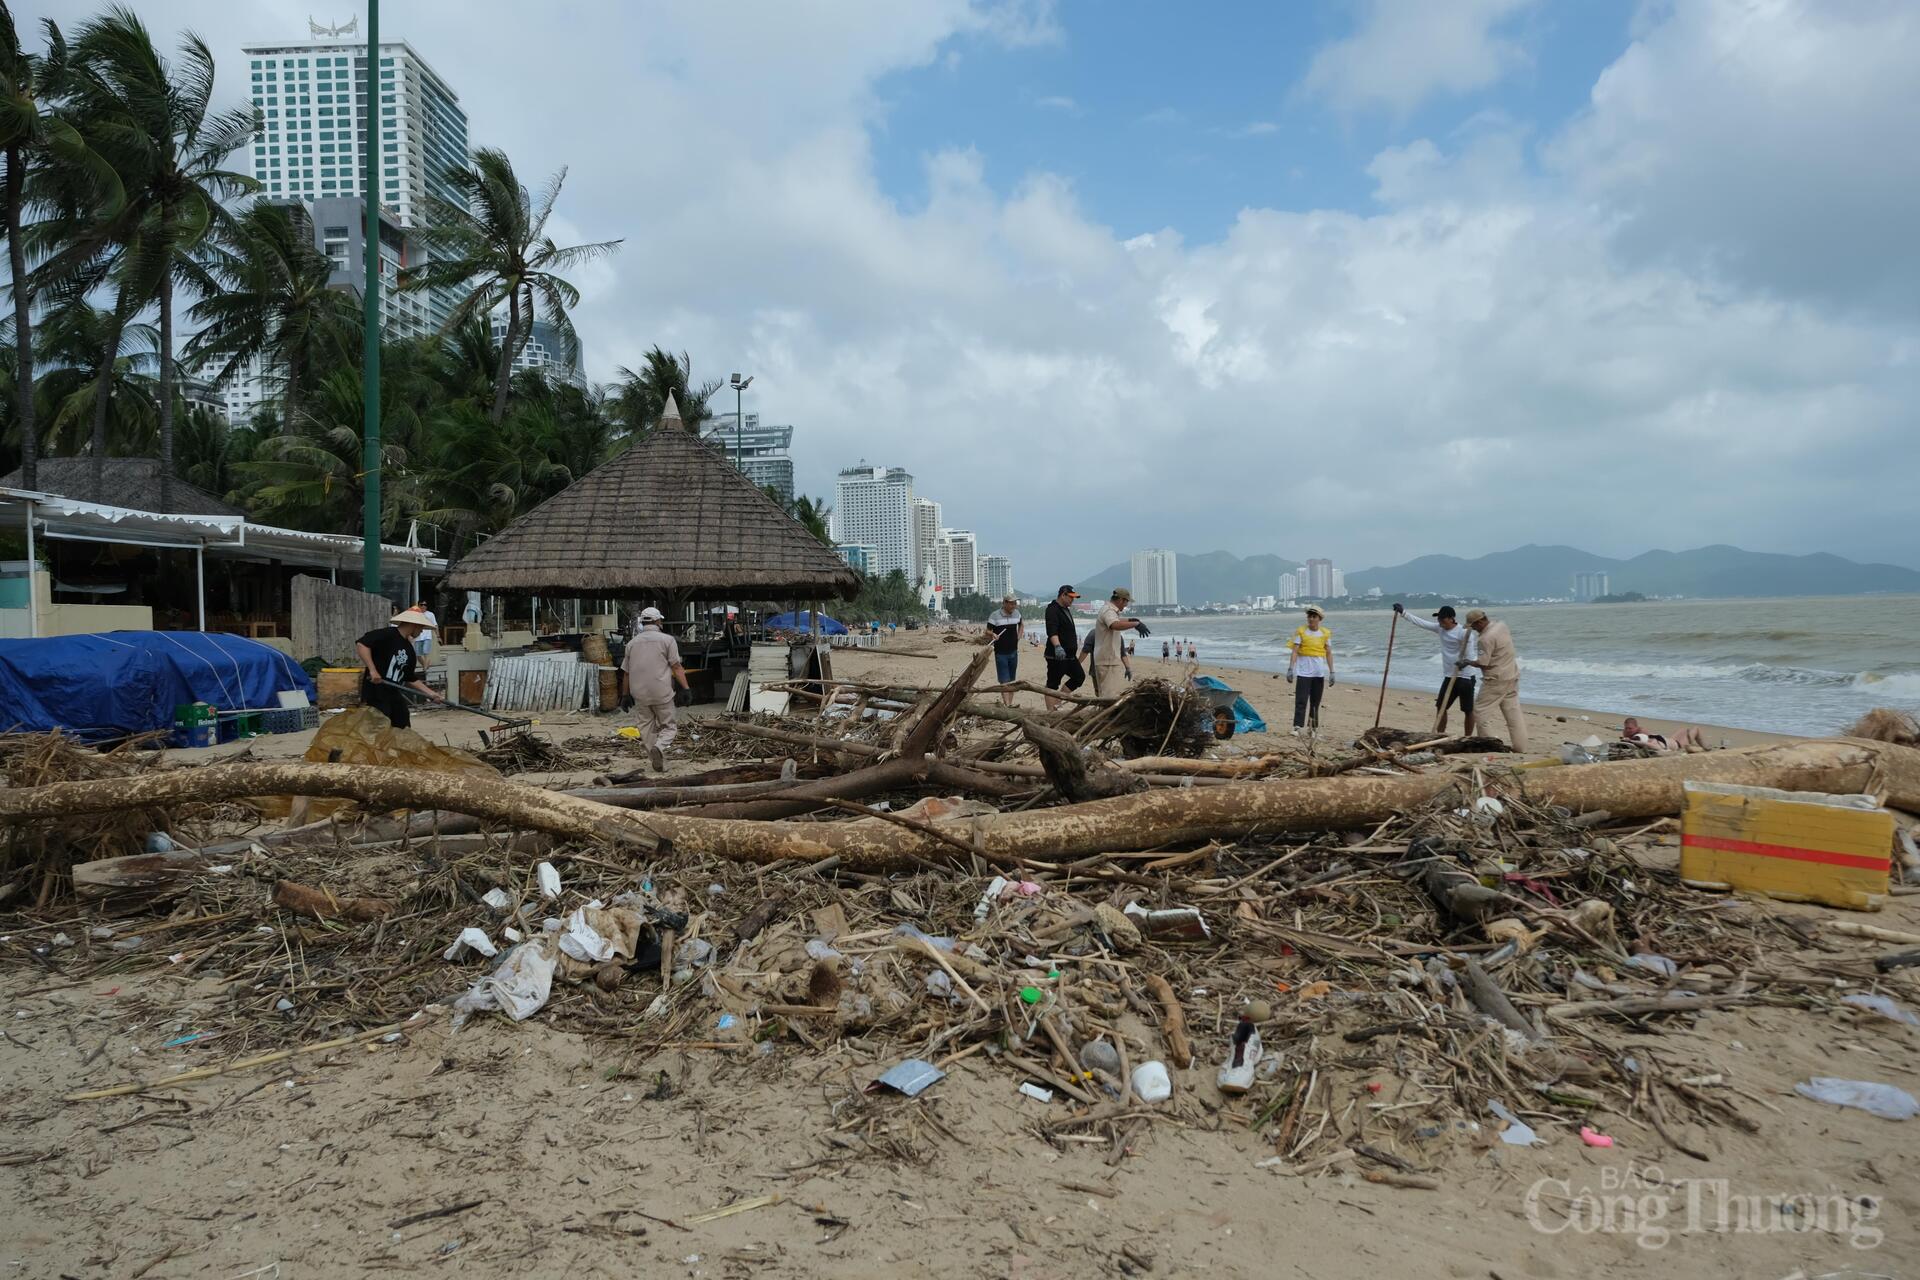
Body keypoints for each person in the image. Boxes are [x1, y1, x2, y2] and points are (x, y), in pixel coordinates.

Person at [622, 606, 691, 771]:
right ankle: (659, 747)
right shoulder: (667, 640)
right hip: (662, 692)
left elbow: (625, 673)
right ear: (658, 621)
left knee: (645, 727)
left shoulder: (631, 644)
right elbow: (676, 667)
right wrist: (686, 688)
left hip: (639, 693)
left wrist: (624, 695)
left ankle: (655, 756)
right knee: (669, 726)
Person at [1395, 603, 1478, 735]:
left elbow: (1469, 654)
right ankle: (1439, 734)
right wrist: (1403, 613)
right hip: (1449, 676)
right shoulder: (1440, 628)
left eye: (1443, 619)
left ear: (1451, 618)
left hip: (1465, 677)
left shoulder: (1463, 633)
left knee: (1467, 709)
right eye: (1439, 619)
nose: (1440, 622)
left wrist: (1465, 662)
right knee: (1441, 706)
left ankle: (1468, 738)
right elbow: (1421, 623)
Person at [355, 609, 443, 729]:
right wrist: (373, 670)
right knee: (380, 726)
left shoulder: (409, 650)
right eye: (421, 627)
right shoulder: (387, 635)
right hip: (376, 692)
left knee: (402, 721)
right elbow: (362, 644)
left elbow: (410, 678)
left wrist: (431, 693)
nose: (422, 631)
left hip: (393, 691)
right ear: (414, 625)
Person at [1464, 609, 1527, 752]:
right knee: (1513, 713)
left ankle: (1490, 746)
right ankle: (1520, 747)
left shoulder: (1484, 639)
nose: (1473, 629)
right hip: (1511, 675)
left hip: (1495, 680)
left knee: (1480, 712)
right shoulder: (1502, 626)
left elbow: (1483, 662)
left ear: (1480, 622)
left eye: (1473, 626)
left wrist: (1467, 662)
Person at [1286, 605, 1334, 735]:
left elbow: (1329, 653)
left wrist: (1332, 672)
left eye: (1314, 616)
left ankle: (1312, 728)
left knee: (1315, 702)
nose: (1311, 619)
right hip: (1303, 672)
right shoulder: (1301, 631)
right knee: (1301, 700)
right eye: (1309, 616)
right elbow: (1295, 651)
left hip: (1318, 673)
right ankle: (1297, 726)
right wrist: (1291, 668)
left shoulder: (1325, 633)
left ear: (1319, 619)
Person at [1091, 587, 1145, 696]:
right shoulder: (1108, 610)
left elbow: (1116, 620)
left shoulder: (1108, 610)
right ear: (1120, 600)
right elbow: (1114, 624)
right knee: (1108, 695)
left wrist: (1131, 620)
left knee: (1105, 694)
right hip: (1107, 660)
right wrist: (1135, 624)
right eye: (1126, 602)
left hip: (1106, 659)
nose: (1126, 605)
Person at [1043, 585, 1085, 710]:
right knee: (1052, 684)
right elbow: (1052, 631)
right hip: (1056, 655)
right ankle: (1051, 713)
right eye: (1071, 597)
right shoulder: (1052, 609)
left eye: (1074, 598)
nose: (1073, 600)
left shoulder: (1066, 609)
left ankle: (1057, 700)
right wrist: (1057, 646)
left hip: (1070, 656)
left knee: (1079, 677)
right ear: (1063, 595)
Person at [984, 594, 1023, 706]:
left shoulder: (1017, 613)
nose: (1014, 606)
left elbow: (1021, 625)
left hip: (1014, 651)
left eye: (1015, 603)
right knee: (1004, 681)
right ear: (1004, 603)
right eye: (1011, 603)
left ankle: (1010, 704)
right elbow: (987, 631)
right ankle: (1007, 704)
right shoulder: (995, 615)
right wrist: (993, 634)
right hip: (1001, 653)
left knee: (1011, 680)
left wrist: (1018, 637)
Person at [1621, 717, 1707, 752]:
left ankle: (1705, 747)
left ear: (1636, 727)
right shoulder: (1626, 732)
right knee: (1694, 729)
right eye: (1626, 728)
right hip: (1674, 743)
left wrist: (1631, 740)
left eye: (1630, 728)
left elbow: (1647, 743)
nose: (1628, 731)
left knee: (1686, 730)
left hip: (1667, 741)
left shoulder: (1642, 732)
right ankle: (1705, 748)